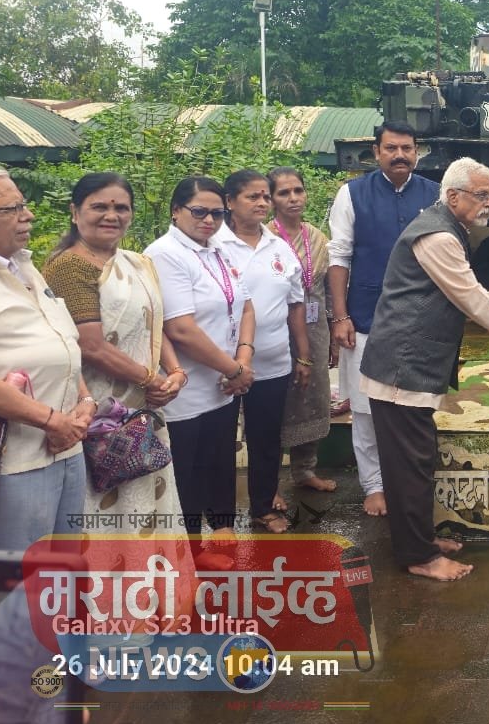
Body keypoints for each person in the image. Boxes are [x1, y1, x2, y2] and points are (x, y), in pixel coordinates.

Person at [358, 157, 489, 581]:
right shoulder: (439, 236)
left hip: (407, 366)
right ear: (453, 195)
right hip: (402, 369)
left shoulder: (444, 228)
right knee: (409, 466)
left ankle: (419, 540)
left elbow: (468, 288)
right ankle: (419, 556)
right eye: (481, 196)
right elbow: (470, 300)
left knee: (416, 461)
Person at [41, 172, 191, 533]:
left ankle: (155, 585)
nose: (112, 215)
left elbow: (152, 326)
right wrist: (151, 378)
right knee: (106, 509)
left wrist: (175, 373)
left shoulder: (136, 263)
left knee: (149, 496)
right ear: (75, 212)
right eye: (99, 206)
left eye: (121, 207)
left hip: (144, 401)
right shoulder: (69, 267)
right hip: (99, 409)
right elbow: (90, 345)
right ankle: (110, 590)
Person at [328, 121, 439, 517]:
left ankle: (410, 483)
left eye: (407, 148)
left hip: (420, 321)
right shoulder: (352, 194)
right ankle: (374, 485)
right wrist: (339, 316)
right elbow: (339, 257)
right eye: (391, 148)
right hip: (364, 317)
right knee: (365, 408)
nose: (400, 155)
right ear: (376, 152)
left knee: (415, 406)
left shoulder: (435, 196)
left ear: (417, 152)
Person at [145, 177, 257, 565]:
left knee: (219, 456)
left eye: (217, 213)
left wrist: (242, 356)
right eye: (199, 212)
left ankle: (220, 524)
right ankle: (190, 554)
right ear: (176, 211)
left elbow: (245, 305)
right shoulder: (165, 254)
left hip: (224, 382)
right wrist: (236, 369)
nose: (209, 220)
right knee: (187, 474)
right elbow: (180, 328)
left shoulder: (219, 250)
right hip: (187, 389)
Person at [0, 169, 92, 551]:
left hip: (66, 446)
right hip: (13, 461)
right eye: (12, 208)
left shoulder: (24, 265)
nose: (28, 216)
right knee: (15, 582)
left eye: (25, 205)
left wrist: (84, 401)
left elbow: (62, 341)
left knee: (60, 569)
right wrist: (51, 421)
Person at [218, 170, 311, 534]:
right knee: (221, 442)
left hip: (273, 362)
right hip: (222, 365)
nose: (261, 203)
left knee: (267, 439)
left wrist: (302, 355)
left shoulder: (278, 246)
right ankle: (219, 518)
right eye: (251, 197)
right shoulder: (215, 246)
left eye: (264, 197)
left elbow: (295, 305)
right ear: (229, 202)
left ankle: (262, 506)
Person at [268, 167, 337, 507]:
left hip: (316, 329)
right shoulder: (266, 239)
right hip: (276, 331)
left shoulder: (317, 237)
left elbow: (323, 288)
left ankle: (305, 471)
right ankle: (268, 484)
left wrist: (333, 334)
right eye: (284, 193)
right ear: (272, 199)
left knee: (313, 396)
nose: (293, 198)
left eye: (298, 190)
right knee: (277, 403)